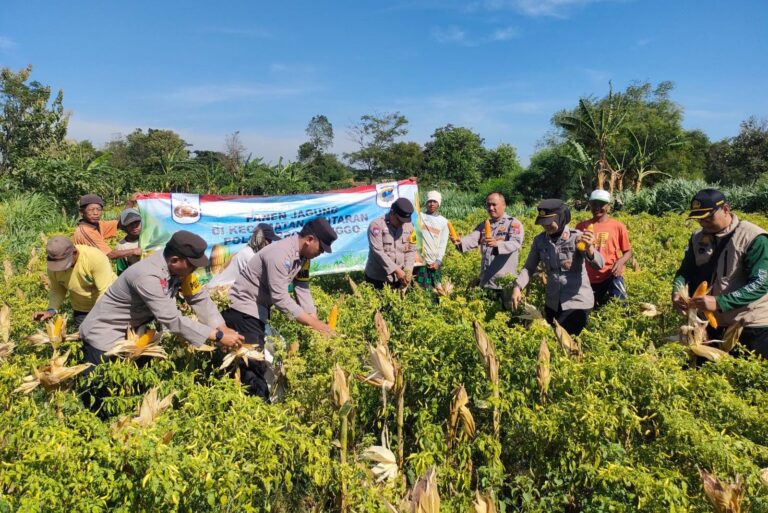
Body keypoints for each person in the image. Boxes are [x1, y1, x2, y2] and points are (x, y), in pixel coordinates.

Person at [79, 230, 243, 368]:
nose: (195, 269)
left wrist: (222, 327)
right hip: (104, 336)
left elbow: (198, 297)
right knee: (99, 392)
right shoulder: (147, 276)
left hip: (129, 335)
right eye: (192, 265)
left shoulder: (179, 270)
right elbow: (171, 319)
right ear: (174, 260)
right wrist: (218, 336)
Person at [227, 217, 338, 398]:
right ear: (309, 239)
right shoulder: (280, 254)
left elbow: (302, 288)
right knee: (254, 367)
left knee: (259, 362)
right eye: (321, 248)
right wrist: (315, 324)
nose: (322, 253)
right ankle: (259, 413)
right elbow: (280, 298)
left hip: (259, 311)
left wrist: (314, 320)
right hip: (244, 310)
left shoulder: (303, 258)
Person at [672, 189, 768, 358]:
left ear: (725, 209)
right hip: (709, 322)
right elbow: (685, 271)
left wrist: (720, 302)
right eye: (699, 219)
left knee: (745, 377)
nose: (704, 223)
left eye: (709, 217)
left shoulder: (753, 237)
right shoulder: (697, 238)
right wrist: (677, 292)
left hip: (749, 323)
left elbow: (761, 282)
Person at [511, 199, 604, 336]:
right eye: (543, 222)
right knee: (554, 342)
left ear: (561, 218)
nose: (546, 225)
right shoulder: (540, 241)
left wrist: (590, 248)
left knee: (563, 342)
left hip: (576, 303)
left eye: (549, 221)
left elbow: (599, 265)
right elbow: (529, 267)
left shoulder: (577, 237)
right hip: (553, 303)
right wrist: (517, 286)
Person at [454, 192, 524, 307]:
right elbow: (472, 238)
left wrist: (497, 245)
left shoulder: (513, 223)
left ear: (504, 205)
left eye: (494, 204)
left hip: (504, 284)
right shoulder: (484, 224)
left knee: (506, 317)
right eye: (488, 205)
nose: (490, 208)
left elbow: (515, 243)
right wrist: (459, 242)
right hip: (486, 281)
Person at [32, 236, 116, 329]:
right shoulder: (54, 267)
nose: (60, 268)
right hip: (81, 309)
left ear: (74, 252)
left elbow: (105, 290)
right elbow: (57, 290)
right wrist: (51, 310)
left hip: (109, 304)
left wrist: (96, 316)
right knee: (87, 340)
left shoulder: (94, 258)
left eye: (63, 263)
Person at [575, 189, 633, 307]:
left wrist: (620, 262)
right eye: (594, 203)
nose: (597, 207)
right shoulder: (581, 226)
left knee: (621, 307)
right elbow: (576, 253)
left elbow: (628, 251)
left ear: (608, 206)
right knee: (593, 309)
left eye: (601, 204)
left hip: (611, 275)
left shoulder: (618, 226)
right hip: (588, 277)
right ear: (590, 204)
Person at [206, 224, 281, 289]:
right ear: (260, 240)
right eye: (269, 241)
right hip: (217, 291)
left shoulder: (249, 252)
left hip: (223, 290)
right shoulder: (249, 255)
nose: (270, 244)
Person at [364, 198, 416, 289]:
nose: (402, 223)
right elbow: (378, 251)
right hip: (377, 278)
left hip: (399, 279)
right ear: (392, 212)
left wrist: (408, 270)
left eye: (404, 221)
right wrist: (397, 270)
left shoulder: (410, 227)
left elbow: (411, 249)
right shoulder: (376, 225)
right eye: (399, 220)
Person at [73, 194, 141, 262]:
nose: (96, 213)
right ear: (82, 212)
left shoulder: (97, 225)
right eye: (91, 210)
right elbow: (110, 255)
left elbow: (121, 222)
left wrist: (131, 202)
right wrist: (134, 251)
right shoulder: (86, 232)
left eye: (99, 209)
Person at [415, 191, 449, 289]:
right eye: (429, 201)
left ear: (439, 203)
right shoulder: (419, 216)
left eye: (435, 201)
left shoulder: (443, 222)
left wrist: (438, 261)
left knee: (437, 288)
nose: (432, 204)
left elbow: (443, 243)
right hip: (420, 261)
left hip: (435, 262)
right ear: (426, 203)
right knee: (422, 288)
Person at [114, 208, 143, 275]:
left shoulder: (149, 238)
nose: (134, 227)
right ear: (124, 227)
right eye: (130, 224)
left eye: (137, 223)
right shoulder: (121, 246)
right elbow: (121, 270)